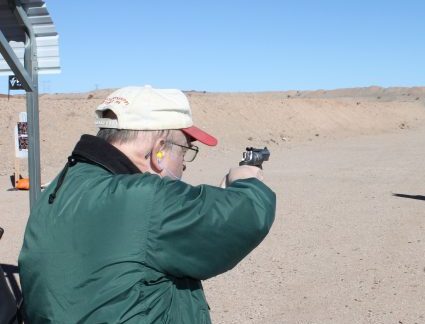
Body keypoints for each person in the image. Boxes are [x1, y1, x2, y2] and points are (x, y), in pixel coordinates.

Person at [18, 85, 276, 323]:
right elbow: (246, 216)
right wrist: (246, 180)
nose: (183, 164)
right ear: (160, 149)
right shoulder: (146, 198)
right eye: (184, 151)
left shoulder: (64, 183)